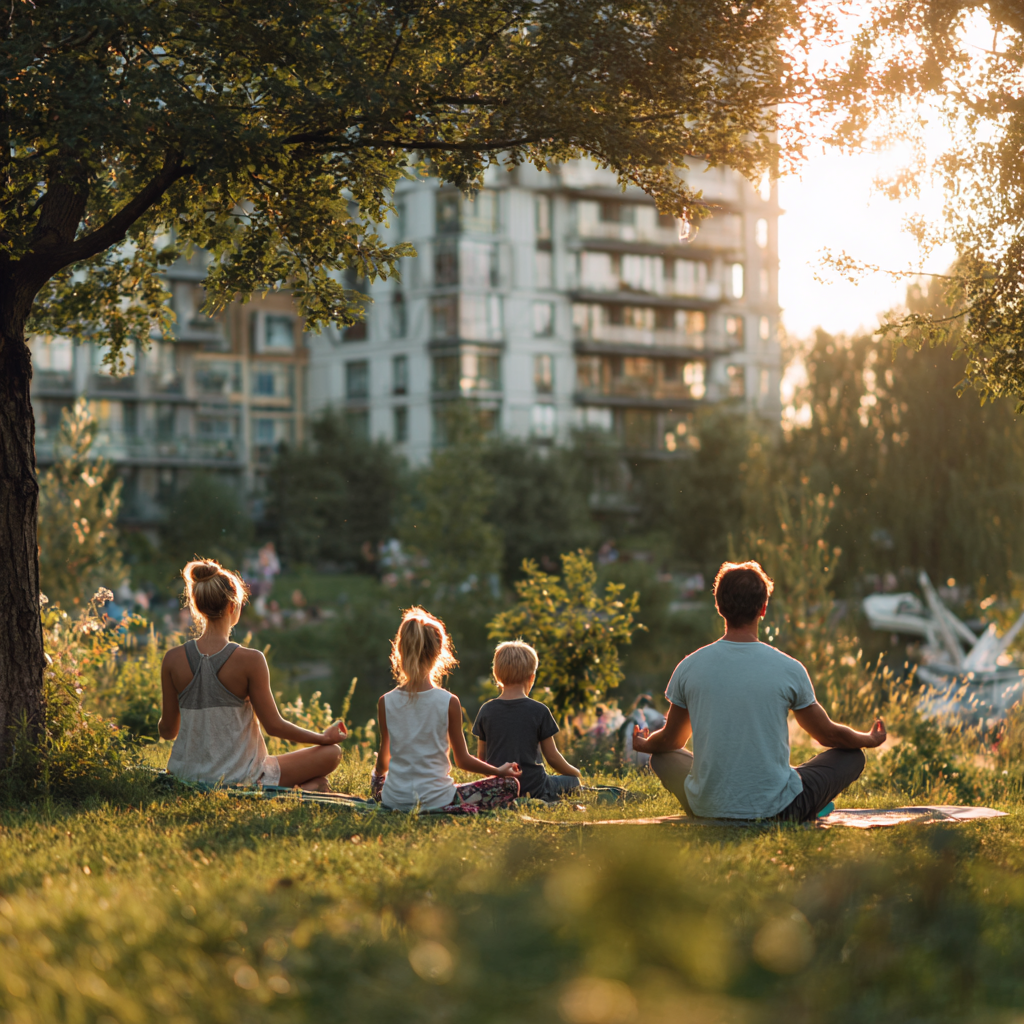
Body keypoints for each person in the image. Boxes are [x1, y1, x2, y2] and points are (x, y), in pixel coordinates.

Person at [631, 561, 886, 821]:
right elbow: (828, 734)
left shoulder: (689, 667)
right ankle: (805, 803)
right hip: (778, 811)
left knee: (661, 758)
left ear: (719, 607)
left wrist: (644, 743)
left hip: (707, 807)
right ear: (763, 608)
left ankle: (717, 807)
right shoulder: (789, 668)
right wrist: (868, 739)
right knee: (851, 756)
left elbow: (672, 741)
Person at [159, 559, 347, 791]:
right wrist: (323, 738)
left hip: (185, 775)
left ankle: (311, 788)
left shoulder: (172, 659)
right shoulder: (251, 660)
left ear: (197, 608)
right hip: (242, 778)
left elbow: (167, 731)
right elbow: (274, 726)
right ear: (232, 607)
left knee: (319, 782)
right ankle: (295, 791)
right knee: (332, 753)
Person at [371, 608, 522, 813]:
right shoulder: (448, 701)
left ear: (400, 651)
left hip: (393, 800)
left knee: (380, 780)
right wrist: (497, 771)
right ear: (438, 652)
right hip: (438, 799)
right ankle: (448, 808)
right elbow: (462, 760)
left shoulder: (385, 702)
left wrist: (377, 777)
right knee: (510, 785)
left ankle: (417, 803)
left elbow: (383, 760)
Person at [472, 640, 582, 802]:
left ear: (497, 675)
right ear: (532, 677)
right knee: (572, 782)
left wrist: (499, 782)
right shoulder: (539, 710)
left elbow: (482, 759)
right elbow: (552, 757)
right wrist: (576, 774)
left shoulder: (486, 710)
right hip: (536, 788)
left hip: (499, 790)